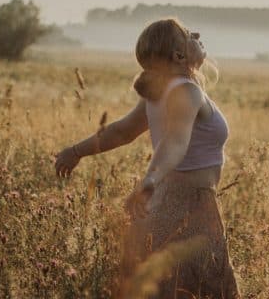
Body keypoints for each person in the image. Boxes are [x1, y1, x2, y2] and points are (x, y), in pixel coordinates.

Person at [54, 18, 240, 298]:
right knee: (205, 289)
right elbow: (174, 141)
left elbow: (122, 132)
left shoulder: (165, 91)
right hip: (188, 206)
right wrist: (150, 179)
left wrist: (76, 151)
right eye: (188, 34)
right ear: (178, 56)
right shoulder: (186, 91)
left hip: (167, 200)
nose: (197, 33)